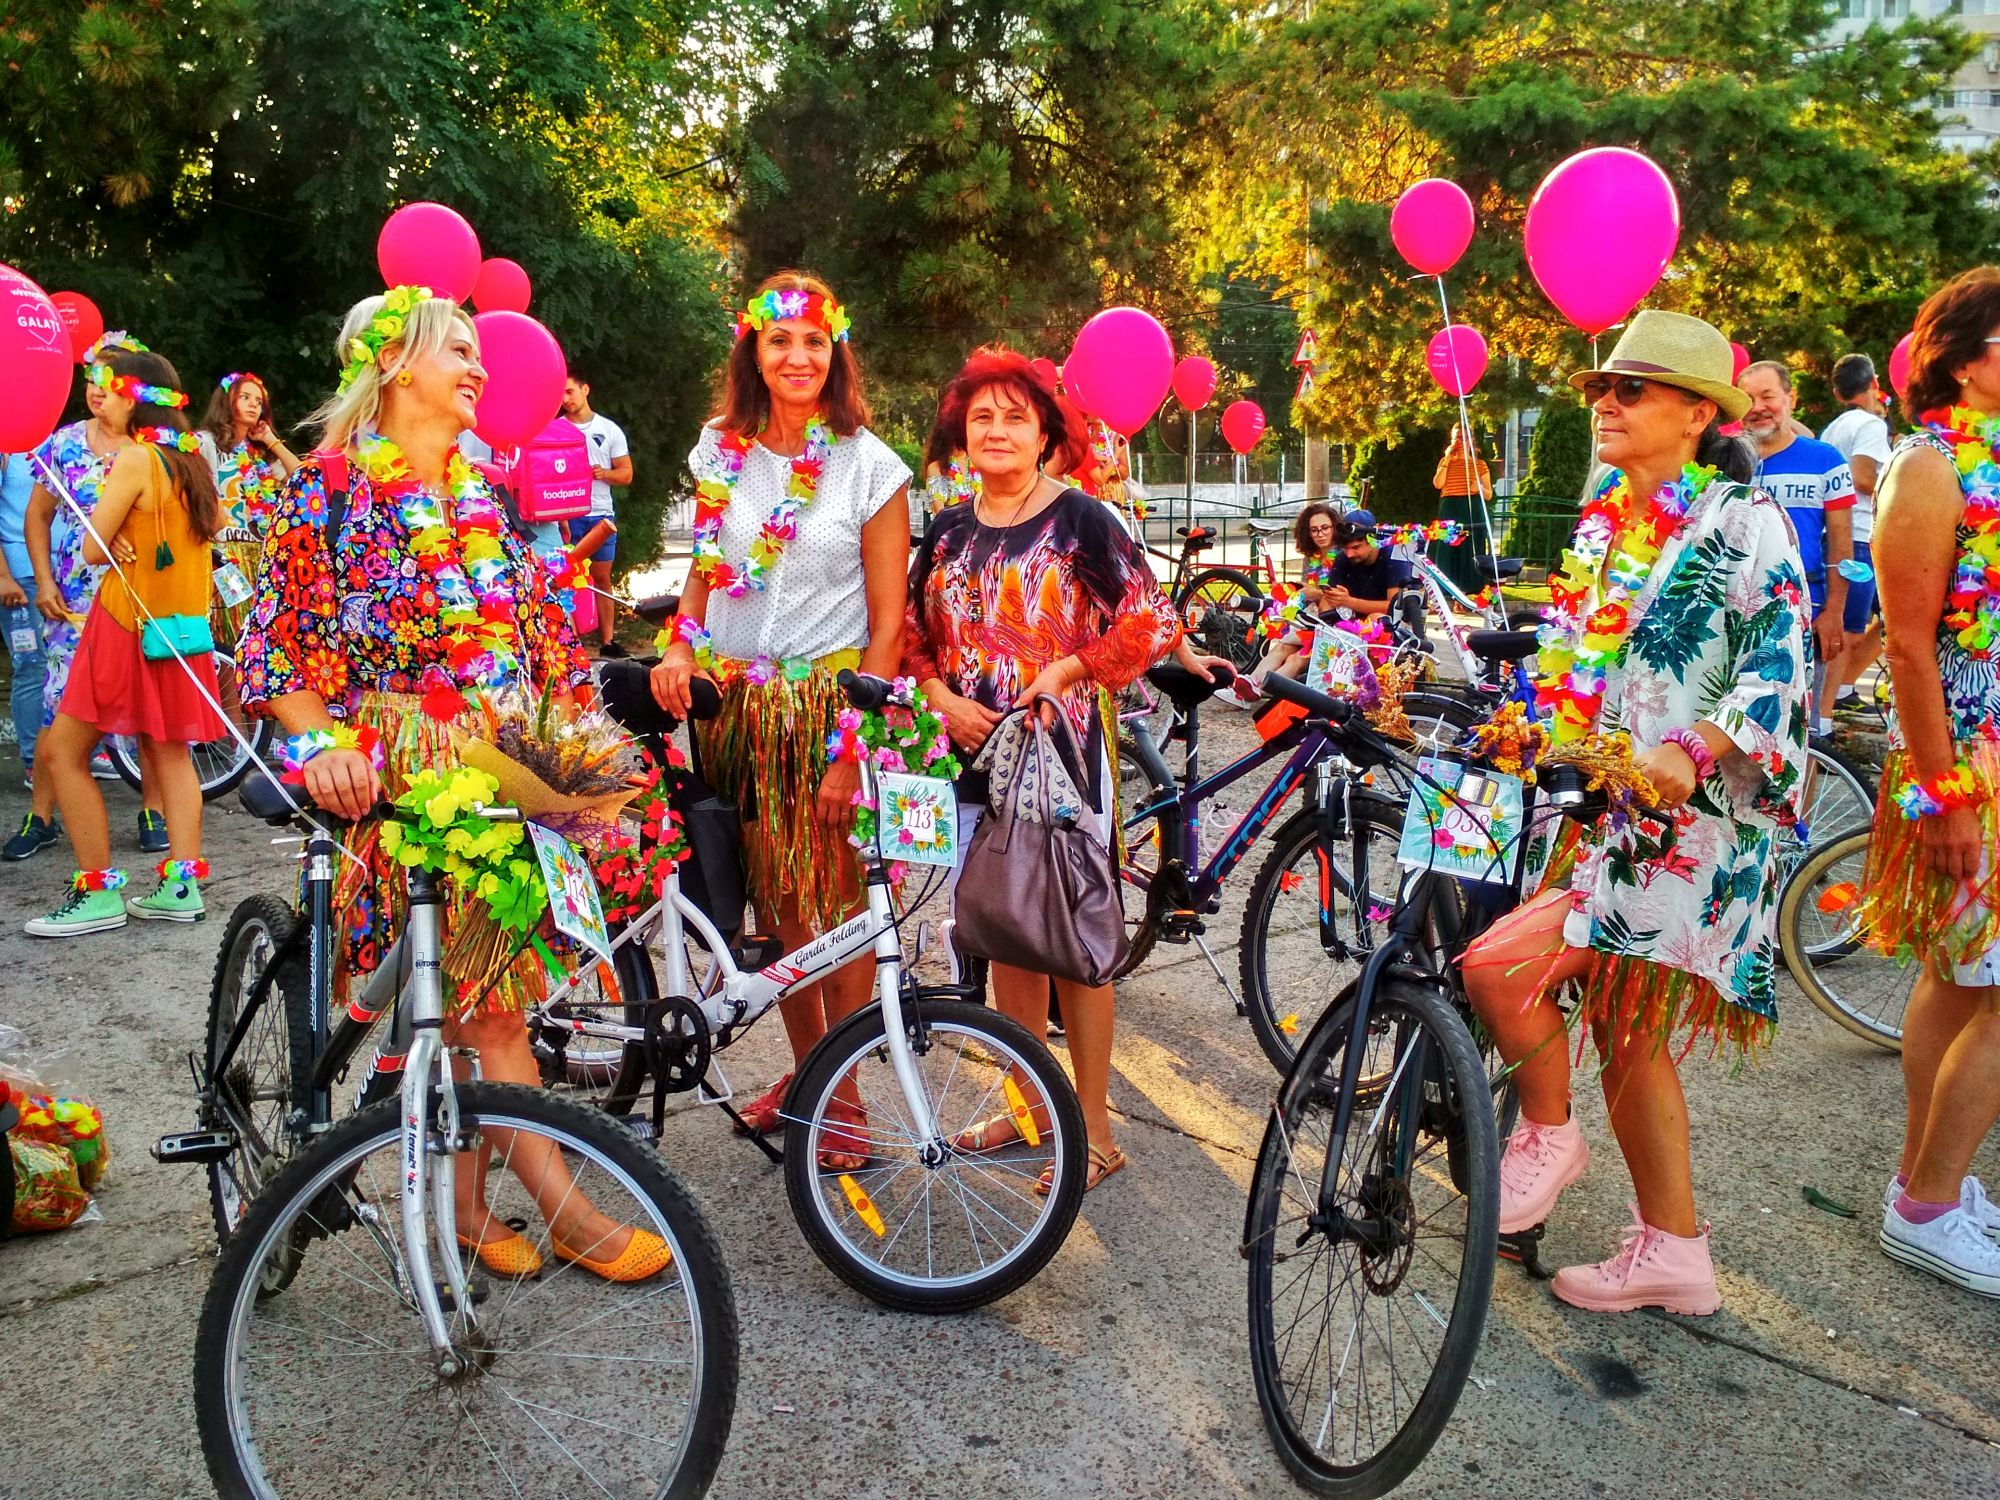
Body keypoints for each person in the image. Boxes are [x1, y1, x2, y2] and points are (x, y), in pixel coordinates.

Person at [237, 287, 664, 1281]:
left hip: (500, 760)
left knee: (492, 991)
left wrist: (583, 759)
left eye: (478, 351)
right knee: (490, 1007)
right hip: (397, 773)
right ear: (395, 365)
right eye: (457, 351)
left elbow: (542, 646)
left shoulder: (486, 495)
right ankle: (569, 1215)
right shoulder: (329, 490)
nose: (478, 369)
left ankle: (469, 1209)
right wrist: (320, 748)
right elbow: (276, 654)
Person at [1463, 310, 1810, 1316]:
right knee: (1623, 1031)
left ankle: (1545, 1137)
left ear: (1699, 415)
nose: (1605, 405)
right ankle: (1674, 1251)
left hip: (1691, 834)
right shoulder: (1602, 524)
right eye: (1599, 390)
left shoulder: (1743, 524)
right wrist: (1533, 729)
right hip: (1608, 822)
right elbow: (1582, 667)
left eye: (1632, 390)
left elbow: (1781, 671)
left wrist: (1688, 749)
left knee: (1496, 966)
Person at [649, 271, 910, 1170]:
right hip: (732, 714)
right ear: (752, 353)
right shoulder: (719, 454)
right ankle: (809, 1080)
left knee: (832, 908)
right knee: (779, 913)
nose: (796, 357)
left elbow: (887, 626)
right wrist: (679, 650)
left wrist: (853, 751)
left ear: (835, 350)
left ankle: (846, 1102)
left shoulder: (871, 465)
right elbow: (704, 574)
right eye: (778, 341)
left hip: (826, 713)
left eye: (812, 341)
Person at [904, 347, 1181, 1190]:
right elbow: (915, 638)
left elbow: (1152, 624)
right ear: (960, 434)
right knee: (1006, 931)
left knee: (1073, 943)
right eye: (980, 417)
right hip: (972, 760)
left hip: (1061, 759)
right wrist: (938, 697)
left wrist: (1066, 670)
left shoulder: (1083, 521)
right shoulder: (948, 527)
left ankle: (1093, 1133)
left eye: (1013, 417)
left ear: (1045, 433)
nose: (996, 430)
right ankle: (1032, 1106)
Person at [1858, 267, 2000, 1297]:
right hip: (1965, 762)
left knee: (1958, 981)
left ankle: (1925, 1181)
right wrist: (1944, 795)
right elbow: (1908, 648)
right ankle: (1927, 1207)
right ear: (1959, 354)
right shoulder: (1927, 467)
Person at [24, 350, 228, 937]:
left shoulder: (136, 458)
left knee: (64, 751)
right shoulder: (190, 461)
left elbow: (92, 548)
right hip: (180, 632)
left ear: (136, 398)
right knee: (169, 753)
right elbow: (211, 529)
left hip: (124, 623)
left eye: (111, 389)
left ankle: (97, 892)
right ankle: (180, 885)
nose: (102, 398)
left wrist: (117, 539)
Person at [16, 331, 167, 861]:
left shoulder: (153, 449)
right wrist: (44, 582)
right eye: (90, 381)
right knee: (58, 711)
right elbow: (36, 516)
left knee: (148, 712)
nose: (96, 392)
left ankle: (154, 810)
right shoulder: (62, 444)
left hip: (137, 600)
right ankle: (41, 817)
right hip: (72, 604)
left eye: (107, 382)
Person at [1738, 359, 1856, 738]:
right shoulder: (1725, 462)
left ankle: (1804, 801)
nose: (1757, 407)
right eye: (1747, 398)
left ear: (1790, 397)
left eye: (1767, 396)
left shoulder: (1826, 460)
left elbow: (1841, 542)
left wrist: (1835, 611)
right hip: (1738, 611)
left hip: (1806, 608)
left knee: (1804, 731)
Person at [1820, 353, 1894, 715]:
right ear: (1875, 385)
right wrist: (1902, 488)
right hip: (1862, 533)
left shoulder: (1834, 428)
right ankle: (1837, 696)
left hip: (1838, 530)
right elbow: (1862, 475)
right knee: (1859, 626)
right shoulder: (1870, 424)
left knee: (1874, 622)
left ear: (1837, 393)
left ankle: (1841, 692)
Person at [559, 376, 631, 657]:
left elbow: (626, 473)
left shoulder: (608, 429)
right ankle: (570, 643)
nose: (566, 399)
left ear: (585, 389)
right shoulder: (554, 430)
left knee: (602, 578)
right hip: (568, 515)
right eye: (560, 395)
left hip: (601, 514)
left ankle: (608, 642)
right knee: (566, 578)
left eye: (570, 391)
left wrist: (604, 474)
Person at [198, 371, 300, 532]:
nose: (253, 404)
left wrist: (270, 439)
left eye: (259, 402)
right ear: (225, 402)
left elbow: (302, 477)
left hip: (258, 548)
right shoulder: (203, 443)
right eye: (245, 397)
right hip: (219, 548)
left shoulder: (259, 453)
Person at [1, 452, 47, 792]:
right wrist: (3, 575)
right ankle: (34, 763)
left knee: (72, 664)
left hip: (59, 571)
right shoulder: (6, 450)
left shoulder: (61, 441)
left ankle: (76, 753)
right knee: (32, 664)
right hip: (18, 577)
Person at [1430, 425, 1494, 594]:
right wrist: (1446, 459)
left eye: (1462, 438)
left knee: (1470, 551)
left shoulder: (1479, 465)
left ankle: (1470, 592)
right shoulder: (1446, 463)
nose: (1458, 441)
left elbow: (1488, 495)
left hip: (1471, 508)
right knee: (1447, 550)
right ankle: (1446, 592)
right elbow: (1438, 484)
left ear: (1470, 441)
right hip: (1450, 508)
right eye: (1455, 437)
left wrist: (1478, 488)